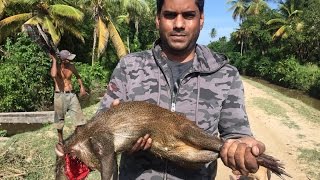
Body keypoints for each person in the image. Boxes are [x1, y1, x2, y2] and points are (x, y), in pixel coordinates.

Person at [98, 0, 266, 179]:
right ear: (158, 19)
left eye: (188, 15)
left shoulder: (225, 74)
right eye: (170, 15)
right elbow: (100, 127)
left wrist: (245, 147)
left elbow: (237, 133)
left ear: (201, 19)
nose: (179, 24)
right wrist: (116, 132)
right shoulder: (129, 66)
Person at [50, 50, 87, 145]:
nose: (70, 60)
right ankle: (60, 140)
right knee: (59, 120)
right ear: (63, 60)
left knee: (79, 118)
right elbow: (53, 75)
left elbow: (78, 76)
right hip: (60, 95)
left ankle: (79, 139)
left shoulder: (71, 66)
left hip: (71, 95)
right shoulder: (57, 68)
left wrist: (82, 87)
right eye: (68, 59)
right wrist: (54, 59)